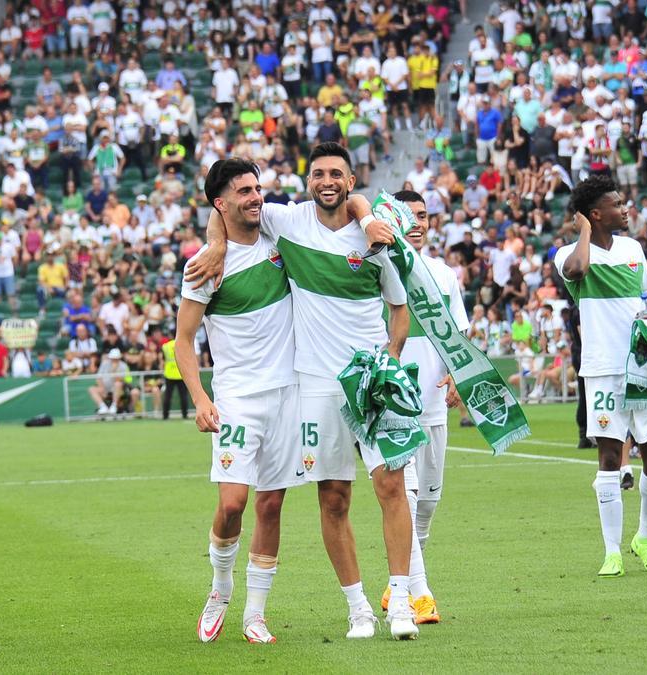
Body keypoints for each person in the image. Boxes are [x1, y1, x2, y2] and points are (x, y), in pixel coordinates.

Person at [188, 143, 417, 639]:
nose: (327, 181)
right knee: (333, 498)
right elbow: (223, 210)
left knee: (392, 486)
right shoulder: (286, 222)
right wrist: (217, 245)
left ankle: (401, 600)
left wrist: (392, 362)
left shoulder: (377, 237)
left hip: (373, 380)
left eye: (337, 174)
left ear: (352, 182)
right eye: (318, 174)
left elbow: (400, 309)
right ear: (307, 181)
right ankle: (358, 609)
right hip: (313, 383)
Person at [177, 159, 301, 644]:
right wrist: (200, 397)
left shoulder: (281, 242)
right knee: (233, 504)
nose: (256, 197)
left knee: (270, 506)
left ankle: (255, 613)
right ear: (221, 203)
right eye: (244, 191)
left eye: (257, 188)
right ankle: (219, 589)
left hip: (289, 395)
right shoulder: (206, 265)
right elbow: (183, 341)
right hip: (237, 399)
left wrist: (219, 234)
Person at [554, 175, 647, 577]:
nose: (626, 209)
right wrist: (584, 231)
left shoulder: (633, 249)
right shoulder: (569, 253)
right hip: (603, 369)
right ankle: (612, 551)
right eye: (617, 204)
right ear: (595, 214)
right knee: (608, 455)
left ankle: (646, 537)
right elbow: (577, 269)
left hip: (641, 366)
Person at [384, 189, 470, 624]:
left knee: (427, 506)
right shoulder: (378, 266)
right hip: (394, 405)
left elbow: (458, 335)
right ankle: (420, 593)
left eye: (422, 215)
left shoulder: (443, 274)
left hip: (435, 403)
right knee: (407, 495)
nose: (416, 222)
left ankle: (396, 578)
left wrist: (456, 374)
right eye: (407, 216)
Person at [88, 348, 139, 414]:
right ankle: (102, 407)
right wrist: (102, 387)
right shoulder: (104, 364)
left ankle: (114, 406)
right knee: (92, 389)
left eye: (116, 358)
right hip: (105, 388)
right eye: (113, 358)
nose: (114, 360)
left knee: (117, 384)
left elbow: (121, 380)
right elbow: (99, 377)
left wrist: (114, 371)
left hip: (119, 389)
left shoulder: (123, 366)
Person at [160, 336, 188, 420]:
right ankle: (184, 414)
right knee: (183, 396)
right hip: (181, 373)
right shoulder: (182, 344)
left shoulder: (165, 346)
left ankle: (165, 415)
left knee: (168, 396)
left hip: (169, 373)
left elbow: (162, 359)